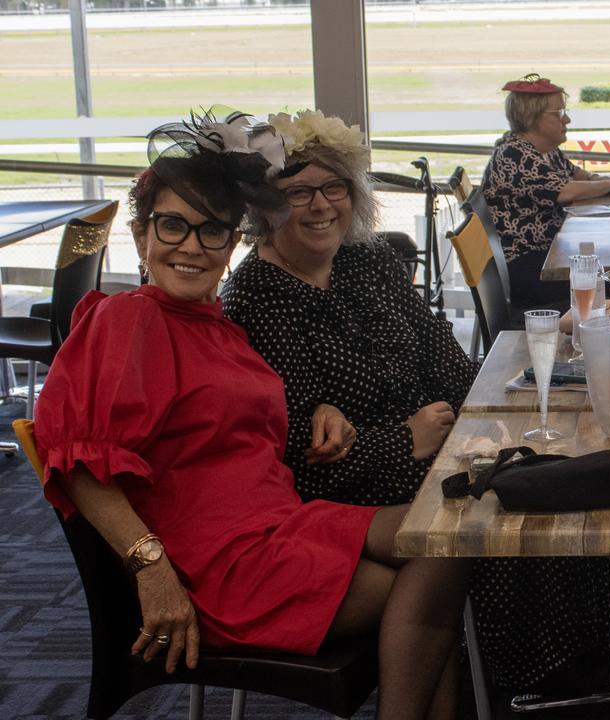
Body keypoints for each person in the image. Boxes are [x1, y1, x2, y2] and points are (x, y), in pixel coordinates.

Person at [34, 113, 469, 719]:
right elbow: (79, 465)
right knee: (420, 600)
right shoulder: (126, 319)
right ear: (140, 237)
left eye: (211, 232)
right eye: (172, 227)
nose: (191, 246)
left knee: (449, 538)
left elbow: (244, 416)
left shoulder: (218, 327)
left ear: (231, 243)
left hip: (284, 522)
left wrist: (321, 406)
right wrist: (151, 569)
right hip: (221, 565)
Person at [221, 109, 610, 698]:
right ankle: (513, 686)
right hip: (350, 493)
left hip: (437, 449)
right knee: (520, 509)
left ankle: (571, 682)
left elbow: (448, 363)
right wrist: (404, 438)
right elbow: (294, 455)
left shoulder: (369, 261)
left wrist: (494, 428)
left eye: (333, 187)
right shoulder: (255, 298)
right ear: (262, 207)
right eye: (297, 192)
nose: (320, 205)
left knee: (558, 468)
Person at [482, 74, 610, 309]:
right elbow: (568, 191)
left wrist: (599, 180)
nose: (566, 119)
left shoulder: (544, 151)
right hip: (529, 268)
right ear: (532, 117)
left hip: (548, 255)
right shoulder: (514, 155)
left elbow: (578, 176)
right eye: (558, 113)